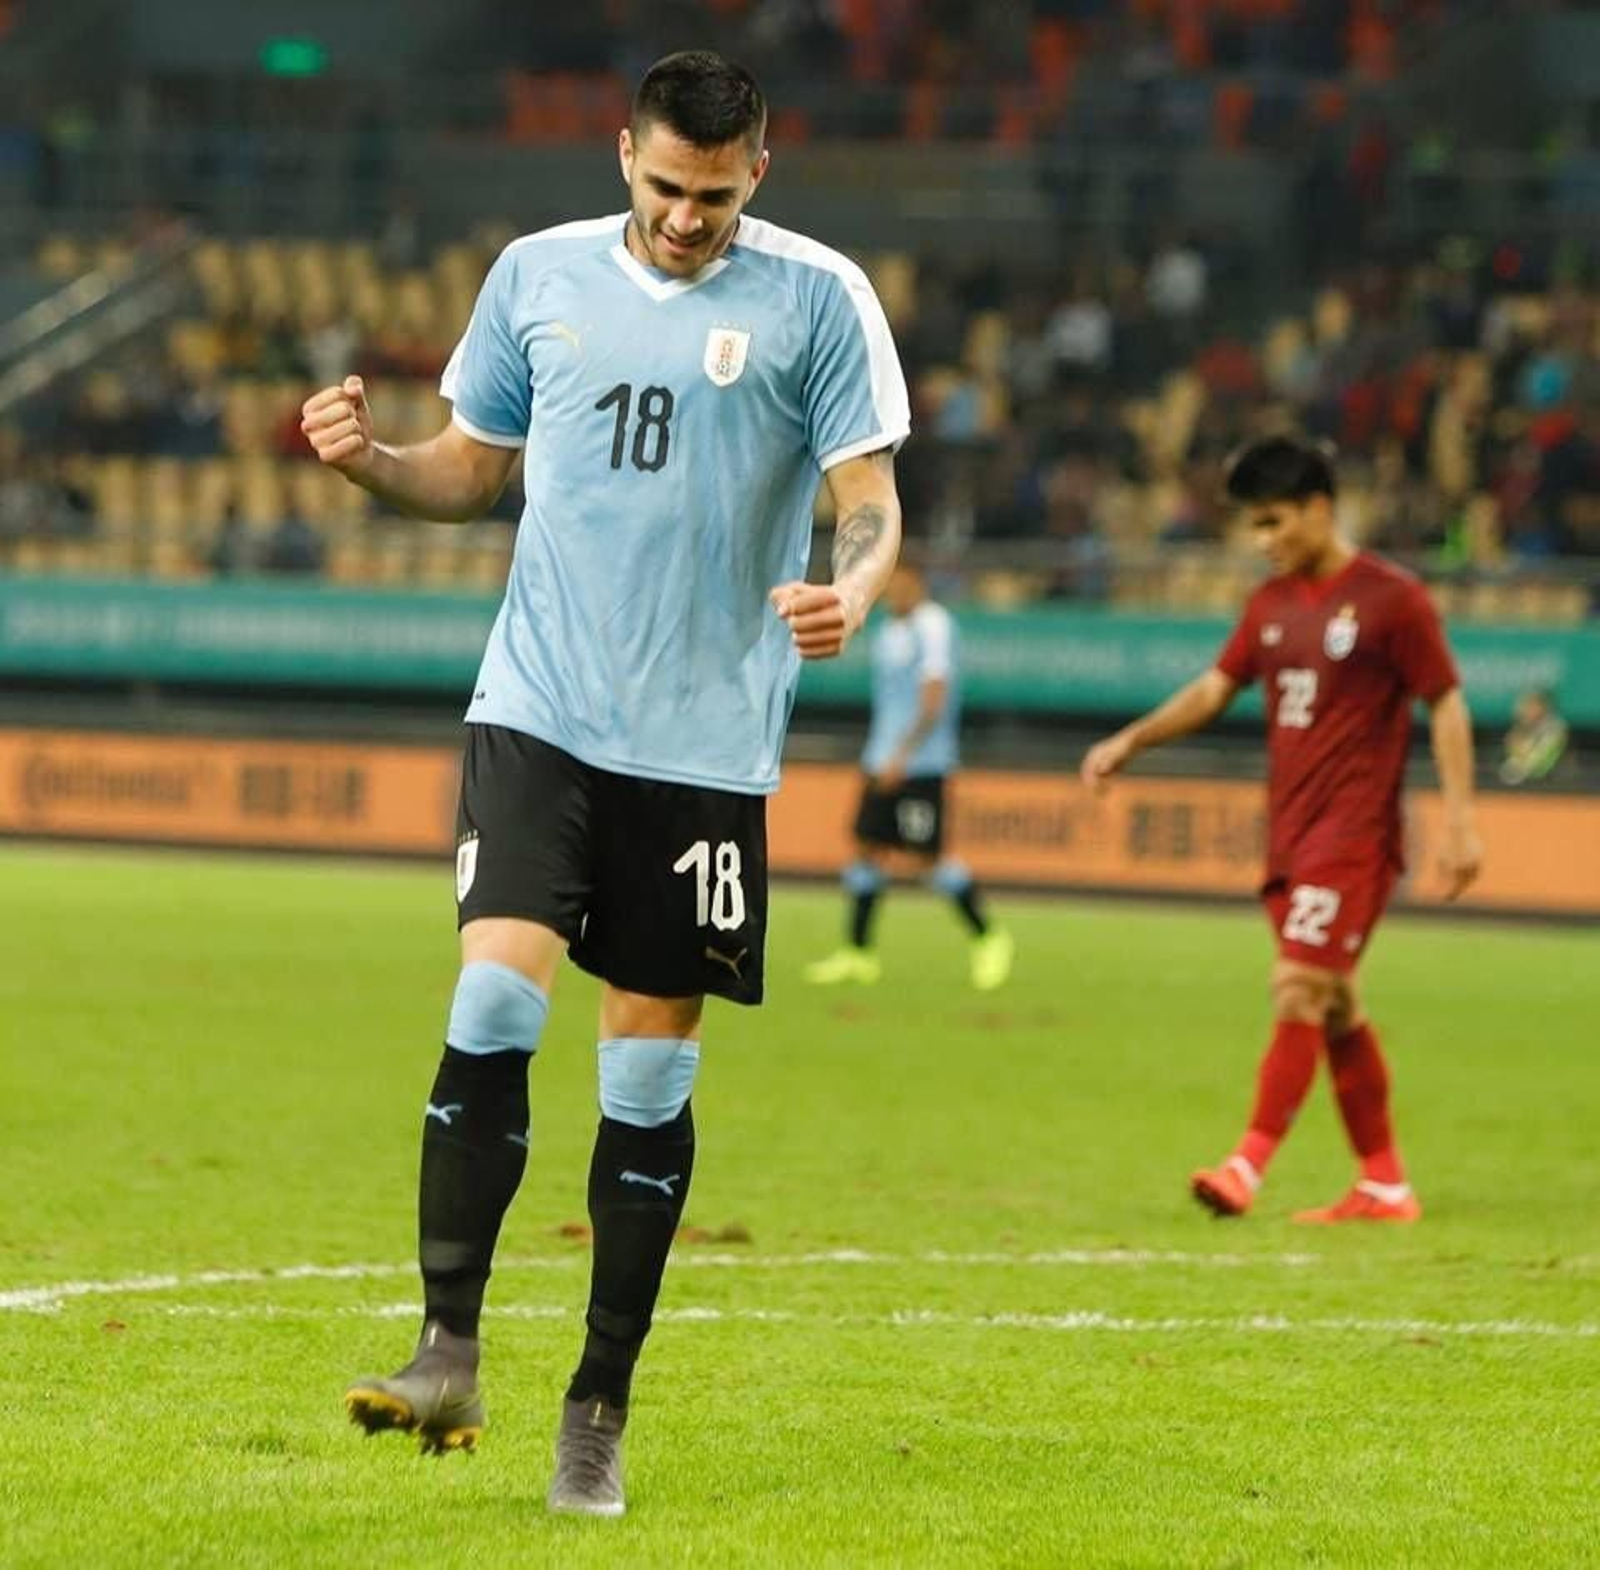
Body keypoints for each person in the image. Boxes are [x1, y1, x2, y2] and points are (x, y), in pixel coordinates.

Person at [300, 51, 907, 1515]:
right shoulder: (534, 276)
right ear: (619, 155)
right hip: (540, 711)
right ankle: (447, 1346)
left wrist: (857, 588)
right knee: (493, 996)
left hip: (700, 747)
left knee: (644, 1071)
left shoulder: (820, 300)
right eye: (661, 187)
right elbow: (472, 469)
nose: (685, 218)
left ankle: (597, 1404)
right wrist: (372, 461)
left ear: (756, 168)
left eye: (713, 192)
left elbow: (871, 501)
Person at [1082, 435, 1481, 1224]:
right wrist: (1132, 740)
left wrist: (1462, 822)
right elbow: (1214, 689)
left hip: (1354, 834)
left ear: (1319, 509)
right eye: (1252, 528)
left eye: (1273, 523)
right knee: (1334, 1005)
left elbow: (1447, 701)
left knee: (1298, 985)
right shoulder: (1268, 605)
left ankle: (1247, 1165)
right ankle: (1385, 1182)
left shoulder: (1392, 600)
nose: (1262, 543)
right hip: (1291, 838)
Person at [805, 562, 1013, 990]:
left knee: (925, 860)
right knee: (866, 848)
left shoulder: (933, 625)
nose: (892, 593)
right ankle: (858, 953)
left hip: (920, 765)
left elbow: (933, 699)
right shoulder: (887, 631)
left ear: (917, 582)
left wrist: (902, 755)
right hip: (879, 760)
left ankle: (988, 938)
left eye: (899, 585)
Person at [1498, 688, 1569, 785]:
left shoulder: (1555, 727)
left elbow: (1542, 763)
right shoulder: (1521, 728)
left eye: (1533, 706)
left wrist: (1524, 761)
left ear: (1543, 707)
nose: (1528, 710)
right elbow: (1512, 748)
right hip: (1520, 781)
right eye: (1528, 706)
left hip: (1547, 782)